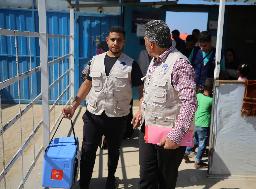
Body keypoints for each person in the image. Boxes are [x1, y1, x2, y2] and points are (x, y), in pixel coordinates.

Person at [62, 26, 143, 189]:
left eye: (119, 40)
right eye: (112, 39)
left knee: (114, 151)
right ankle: (84, 183)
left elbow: (142, 90)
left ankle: (110, 179)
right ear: (107, 40)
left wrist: (141, 110)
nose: (115, 43)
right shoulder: (95, 61)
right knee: (88, 151)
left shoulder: (131, 64)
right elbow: (87, 83)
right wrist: (74, 106)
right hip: (94, 115)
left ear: (124, 42)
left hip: (118, 117)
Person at [132, 20, 196, 189]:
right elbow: (150, 89)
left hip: (169, 135)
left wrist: (176, 136)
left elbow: (189, 103)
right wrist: (141, 110)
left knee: (165, 182)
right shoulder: (155, 59)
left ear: (151, 44)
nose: (145, 43)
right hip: (148, 129)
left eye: (145, 40)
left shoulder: (180, 64)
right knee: (146, 178)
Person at [184, 78, 214, 169]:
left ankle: (186, 152)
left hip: (196, 123)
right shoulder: (211, 100)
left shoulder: (199, 96)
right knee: (202, 144)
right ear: (212, 90)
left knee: (195, 140)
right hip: (204, 125)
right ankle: (198, 162)